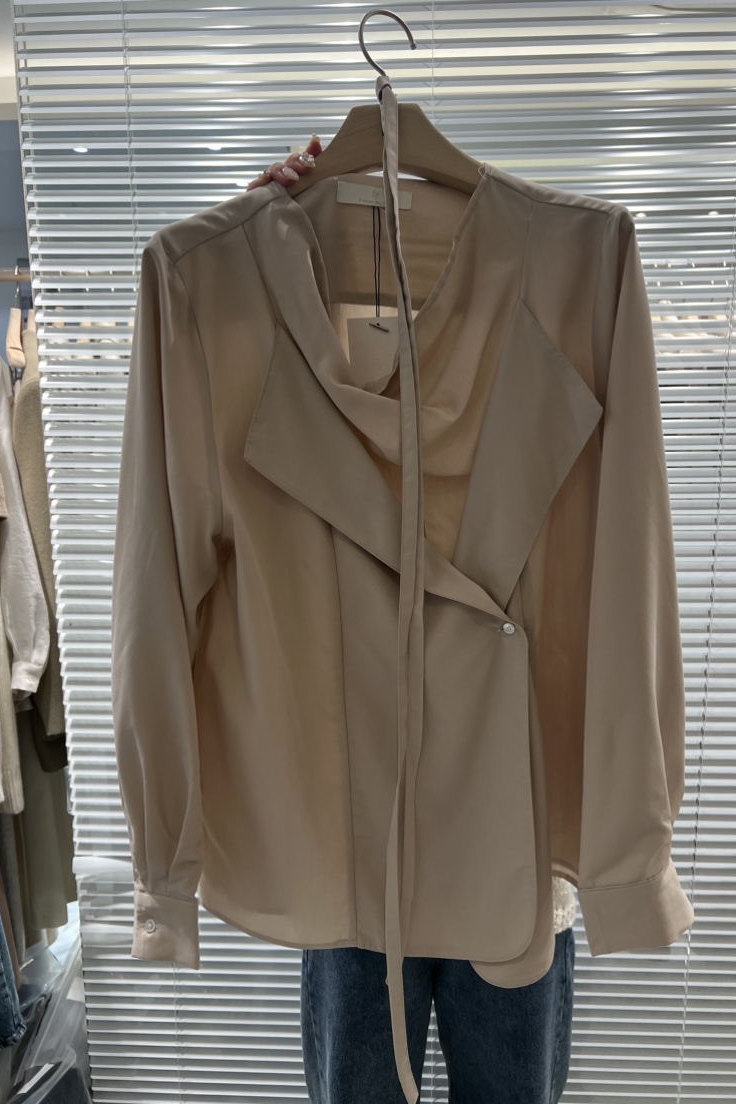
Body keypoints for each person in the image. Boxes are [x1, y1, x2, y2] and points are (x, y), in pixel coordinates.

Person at [246, 138, 575, 1104]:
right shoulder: (289, 299)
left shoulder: (554, 288)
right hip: (354, 838)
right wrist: (259, 253)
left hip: (509, 832)